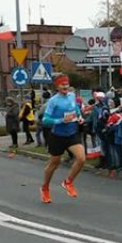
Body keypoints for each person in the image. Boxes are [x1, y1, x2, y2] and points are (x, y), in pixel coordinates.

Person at [39, 74, 85, 204]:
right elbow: (45, 120)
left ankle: (68, 182)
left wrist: (79, 117)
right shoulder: (53, 101)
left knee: (81, 158)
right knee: (54, 164)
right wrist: (60, 120)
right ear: (57, 87)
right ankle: (45, 188)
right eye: (62, 85)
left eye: (67, 84)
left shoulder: (72, 96)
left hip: (71, 134)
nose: (65, 86)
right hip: (57, 136)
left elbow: (75, 108)